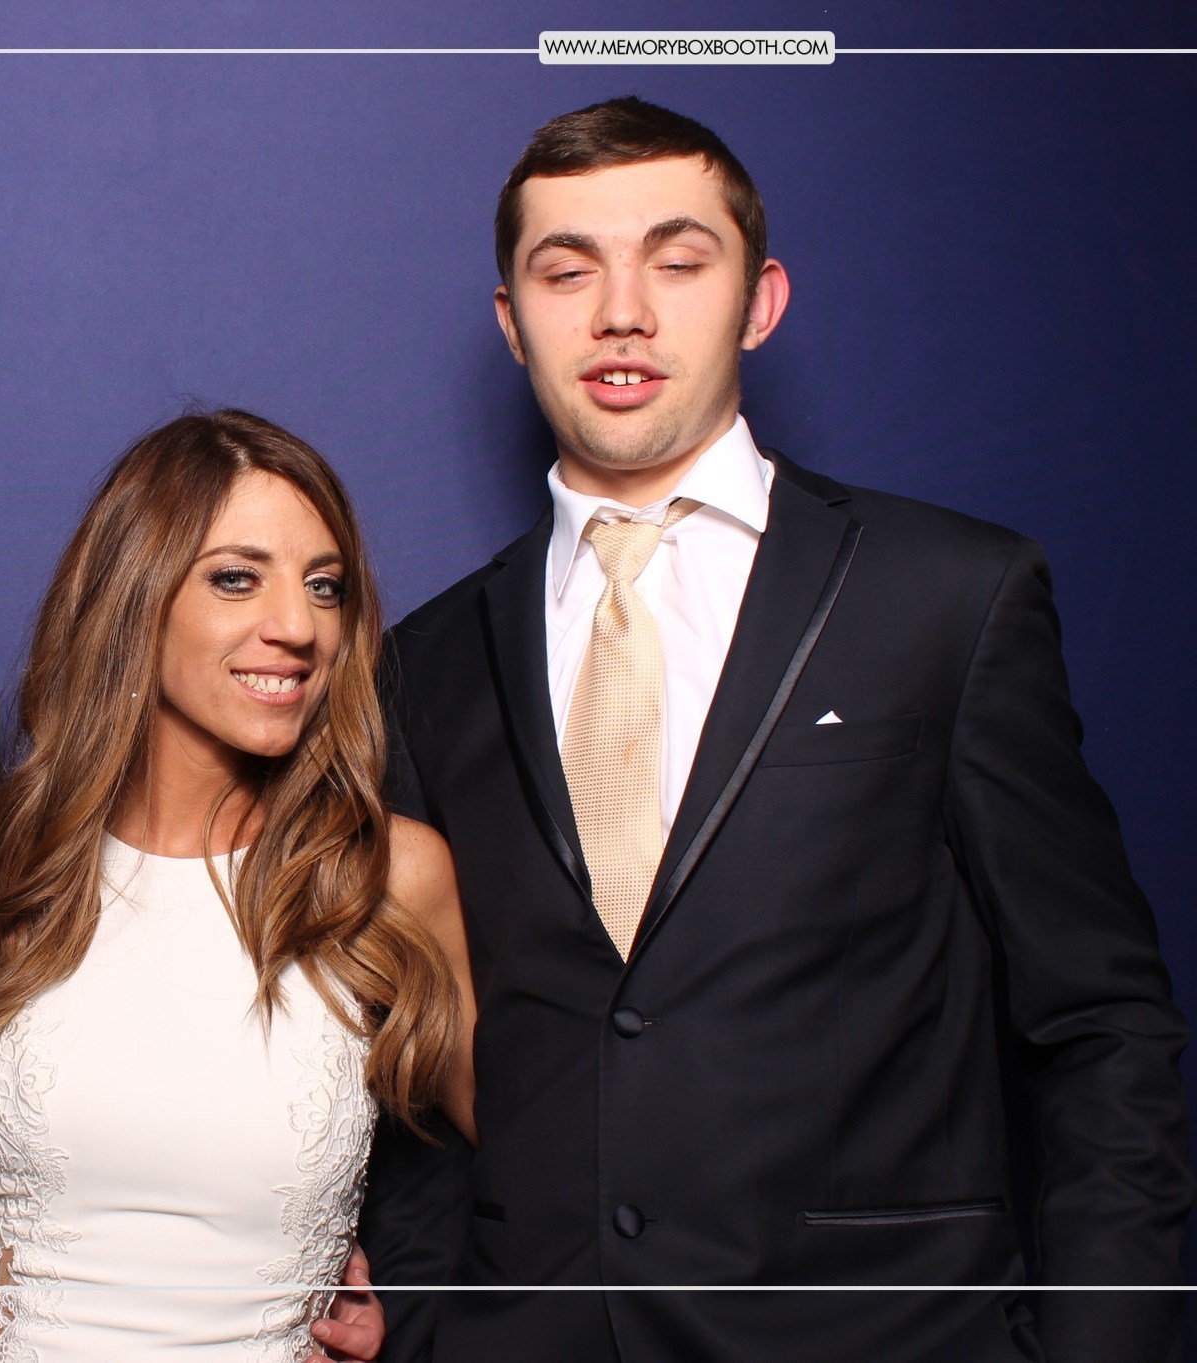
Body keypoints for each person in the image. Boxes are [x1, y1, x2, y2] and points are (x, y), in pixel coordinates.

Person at [369, 96, 1193, 1363]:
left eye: (677, 261)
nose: (621, 312)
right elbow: (425, 1063)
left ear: (758, 302)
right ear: (511, 321)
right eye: (566, 270)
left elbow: (1099, 1024)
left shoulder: (944, 595)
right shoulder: (426, 661)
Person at [0, 410, 477, 1362]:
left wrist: (414, 1315)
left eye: (324, 586)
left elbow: (556, 1169)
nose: (297, 627)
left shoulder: (387, 874)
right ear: (134, 595)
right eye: (236, 578)